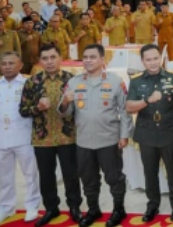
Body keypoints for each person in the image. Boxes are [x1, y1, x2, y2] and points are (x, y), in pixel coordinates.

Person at [58, 44, 132, 227]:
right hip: (84, 141)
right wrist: (65, 102)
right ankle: (93, 209)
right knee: (88, 179)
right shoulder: (74, 82)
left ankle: (118, 209)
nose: (88, 60)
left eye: (92, 57)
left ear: (102, 60)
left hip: (109, 139)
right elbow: (65, 112)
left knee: (114, 177)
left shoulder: (115, 81)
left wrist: (124, 135)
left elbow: (125, 111)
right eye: (85, 57)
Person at [18, 44, 82, 226]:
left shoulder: (72, 80)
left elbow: (82, 108)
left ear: (60, 58)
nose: (49, 62)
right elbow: (23, 110)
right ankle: (51, 208)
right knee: (46, 177)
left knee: (71, 175)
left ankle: (75, 207)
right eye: (45, 58)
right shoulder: (32, 82)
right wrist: (37, 108)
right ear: (40, 61)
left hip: (68, 136)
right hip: (42, 138)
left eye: (53, 57)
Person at [126, 45, 173, 222]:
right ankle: (152, 205)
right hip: (147, 133)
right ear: (142, 61)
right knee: (149, 172)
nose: (152, 62)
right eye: (148, 59)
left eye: (155, 58)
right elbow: (129, 107)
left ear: (161, 58)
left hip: (169, 131)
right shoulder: (136, 81)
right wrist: (147, 100)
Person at [0, 52, 41, 225]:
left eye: (11, 63)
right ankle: (6, 207)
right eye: (4, 63)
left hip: (24, 135)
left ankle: (32, 205)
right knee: (4, 176)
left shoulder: (29, 83)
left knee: (30, 174)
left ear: (20, 65)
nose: (7, 66)